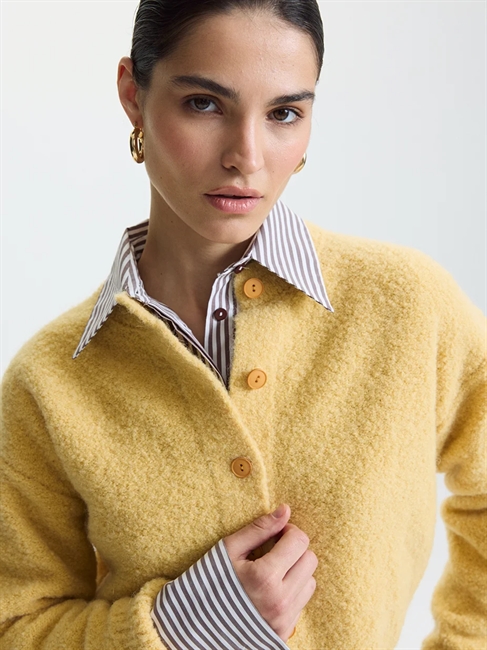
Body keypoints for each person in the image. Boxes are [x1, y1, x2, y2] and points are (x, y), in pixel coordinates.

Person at [1, 0, 486, 648]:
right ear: (133, 95)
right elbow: (16, 625)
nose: (246, 157)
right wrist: (183, 625)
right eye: (204, 104)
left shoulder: (409, 307)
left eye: (284, 113)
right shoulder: (48, 383)